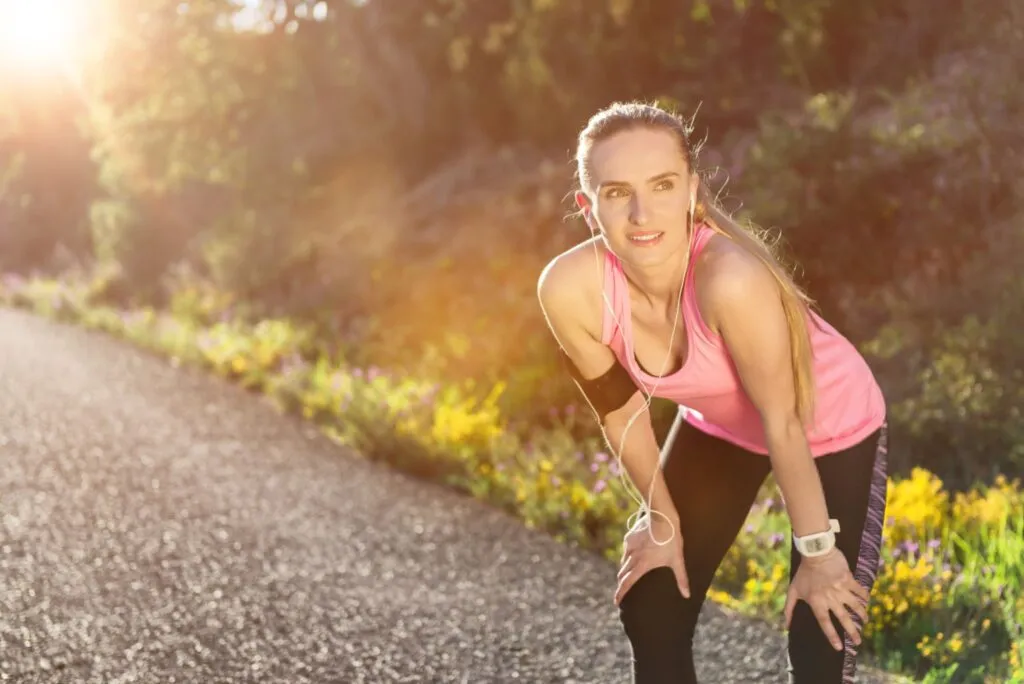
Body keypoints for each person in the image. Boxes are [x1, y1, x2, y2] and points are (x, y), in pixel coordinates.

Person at [536, 100, 890, 684]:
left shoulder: (730, 279)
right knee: (652, 603)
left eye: (663, 185)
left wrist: (819, 557)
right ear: (588, 205)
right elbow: (620, 410)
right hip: (719, 426)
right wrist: (662, 521)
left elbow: (783, 422)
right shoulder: (570, 288)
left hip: (827, 427)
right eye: (618, 192)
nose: (643, 212)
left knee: (820, 630)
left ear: (692, 192)